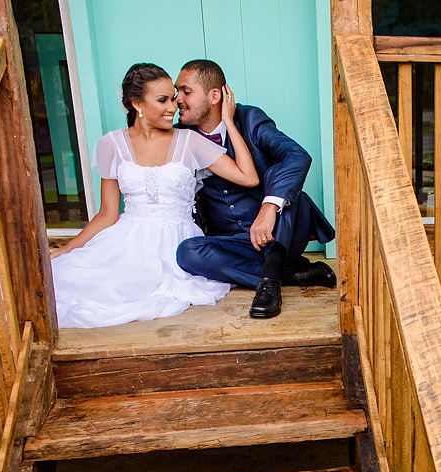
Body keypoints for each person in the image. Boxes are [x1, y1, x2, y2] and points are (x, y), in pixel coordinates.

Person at [50, 62, 260, 329]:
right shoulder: (110, 144)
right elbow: (107, 214)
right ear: (137, 104)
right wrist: (69, 248)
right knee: (90, 283)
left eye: (173, 98)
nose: (173, 107)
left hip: (177, 243)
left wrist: (228, 122)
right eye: (163, 100)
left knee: (154, 285)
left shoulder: (189, 141)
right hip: (127, 239)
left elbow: (248, 177)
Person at [174, 59, 336, 319]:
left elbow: (297, 155)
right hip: (232, 242)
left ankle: (269, 285)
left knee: (291, 193)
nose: (177, 99)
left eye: (186, 91)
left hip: (278, 230)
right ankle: (290, 275)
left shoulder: (250, 120)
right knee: (187, 252)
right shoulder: (179, 136)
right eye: (176, 92)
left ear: (215, 95)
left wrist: (269, 207)